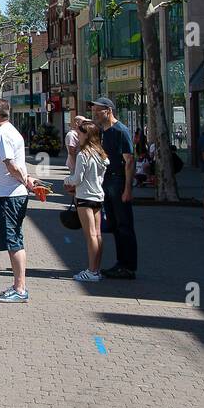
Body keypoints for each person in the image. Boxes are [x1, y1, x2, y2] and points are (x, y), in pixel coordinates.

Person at [0, 98, 39, 303]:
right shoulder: (9, 132)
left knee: (13, 240)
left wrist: (25, 181)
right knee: (14, 239)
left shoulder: (1, 134)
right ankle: (18, 285)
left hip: (9, 195)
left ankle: (20, 288)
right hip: (8, 194)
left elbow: (11, 165)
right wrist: (28, 180)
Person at [89, 97, 137, 279]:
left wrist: (128, 189)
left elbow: (130, 161)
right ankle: (120, 263)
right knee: (115, 225)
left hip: (118, 182)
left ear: (108, 111)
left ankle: (129, 266)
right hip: (107, 181)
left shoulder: (120, 131)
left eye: (98, 111)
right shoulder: (103, 131)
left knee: (124, 225)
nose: (95, 114)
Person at [63, 121, 109, 282]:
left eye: (81, 133)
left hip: (85, 197)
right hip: (98, 196)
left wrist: (67, 180)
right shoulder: (100, 153)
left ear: (87, 135)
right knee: (97, 234)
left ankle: (92, 270)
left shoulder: (84, 154)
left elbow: (77, 178)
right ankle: (96, 269)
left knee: (90, 235)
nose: (78, 135)